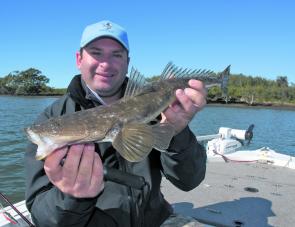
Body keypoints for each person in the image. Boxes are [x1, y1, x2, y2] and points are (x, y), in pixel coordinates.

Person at [25, 20, 207, 227]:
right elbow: (42, 218)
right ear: (79, 59)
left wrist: (178, 134)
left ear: (127, 62)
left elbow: (189, 182)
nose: (106, 63)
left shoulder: (159, 106)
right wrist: (73, 198)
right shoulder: (51, 116)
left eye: (116, 55)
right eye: (96, 53)